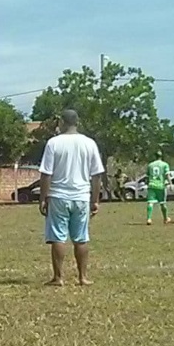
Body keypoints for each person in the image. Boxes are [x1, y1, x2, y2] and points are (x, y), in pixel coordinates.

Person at [38, 110, 104, 286]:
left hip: (58, 195)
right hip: (81, 196)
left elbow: (46, 174)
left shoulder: (53, 143)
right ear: (78, 122)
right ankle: (82, 277)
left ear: (61, 122)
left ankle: (58, 277)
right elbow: (96, 175)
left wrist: (43, 198)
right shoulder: (89, 143)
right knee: (81, 237)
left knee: (58, 237)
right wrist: (95, 200)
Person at [145, 151, 171, 225]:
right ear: (161, 156)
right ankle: (165, 218)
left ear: (155, 156)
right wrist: (171, 184)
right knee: (162, 203)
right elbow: (167, 175)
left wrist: (148, 184)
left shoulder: (150, 165)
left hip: (151, 185)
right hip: (160, 186)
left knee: (150, 202)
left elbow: (147, 176)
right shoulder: (165, 164)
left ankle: (149, 219)